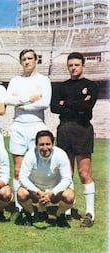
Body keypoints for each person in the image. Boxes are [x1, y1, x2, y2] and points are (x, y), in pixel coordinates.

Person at [50, 52, 98, 228]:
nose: (73, 68)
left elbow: (87, 107)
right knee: (66, 173)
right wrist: (78, 104)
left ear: (83, 66)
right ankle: (66, 211)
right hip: (64, 130)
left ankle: (90, 214)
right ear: (67, 66)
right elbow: (54, 107)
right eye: (71, 65)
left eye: (77, 65)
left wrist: (66, 103)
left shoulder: (91, 86)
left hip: (83, 129)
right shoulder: (60, 86)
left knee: (84, 173)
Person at [3, 49, 51, 213]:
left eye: (30, 58)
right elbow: (7, 99)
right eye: (24, 59)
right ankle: (19, 206)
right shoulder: (15, 80)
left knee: (36, 168)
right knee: (18, 169)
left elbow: (45, 102)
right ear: (20, 61)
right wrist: (29, 99)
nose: (27, 61)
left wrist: (22, 105)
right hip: (18, 125)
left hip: (37, 126)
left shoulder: (43, 80)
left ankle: (40, 205)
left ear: (36, 60)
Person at [17, 130, 75, 228]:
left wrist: (52, 193)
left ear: (53, 144)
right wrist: (38, 192)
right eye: (41, 144)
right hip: (36, 190)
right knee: (21, 193)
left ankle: (60, 215)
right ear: (36, 145)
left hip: (54, 190)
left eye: (48, 144)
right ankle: (30, 214)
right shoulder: (30, 155)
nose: (45, 148)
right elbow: (22, 178)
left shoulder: (61, 154)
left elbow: (67, 179)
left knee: (70, 195)